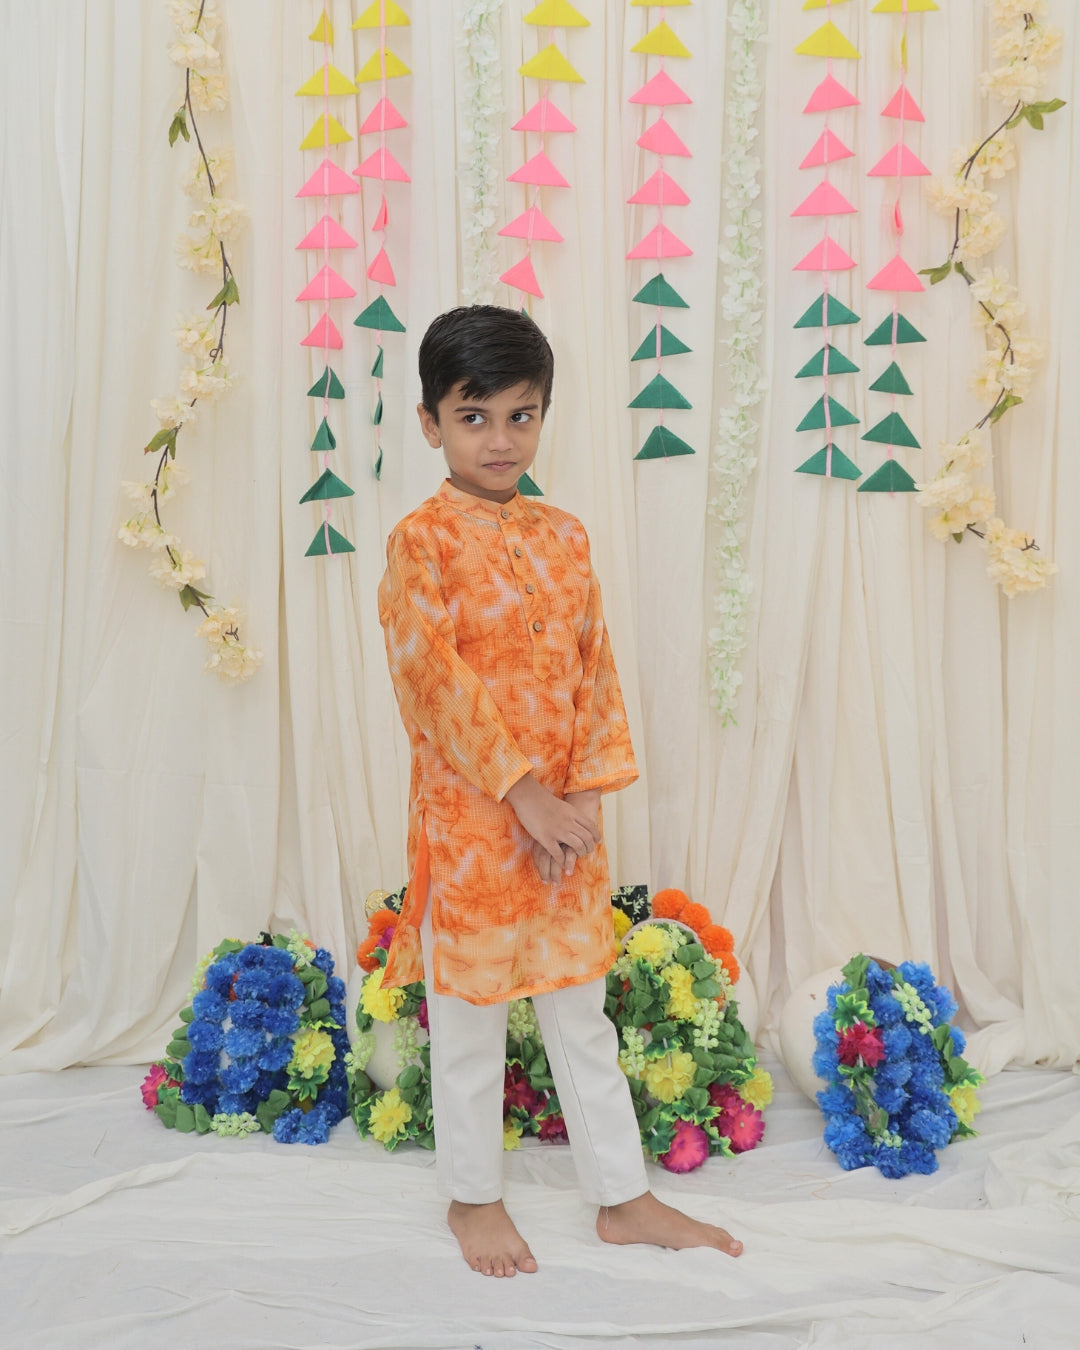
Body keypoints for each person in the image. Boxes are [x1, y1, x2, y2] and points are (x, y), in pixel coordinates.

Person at [377, 305, 742, 1277]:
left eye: (521, 415)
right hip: (472, 826)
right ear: (430, 423)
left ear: (544, 416)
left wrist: (580, 803)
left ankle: (622, 1198)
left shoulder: (566, 536)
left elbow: (594, 669)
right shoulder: (422, 541)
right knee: (471, 1021)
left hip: (567, 825)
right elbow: (432, 683)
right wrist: (523, 795)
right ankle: (473, 1199)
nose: (500, 439)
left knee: (582, 1013)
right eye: (473, 417)